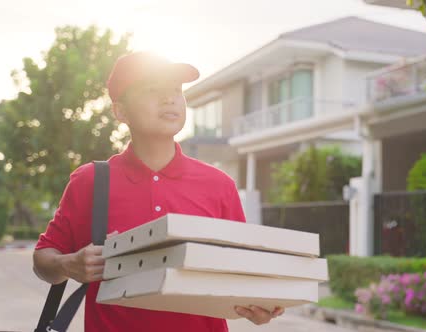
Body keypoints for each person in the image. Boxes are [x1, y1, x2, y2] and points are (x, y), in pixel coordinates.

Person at [32, 51, 284, 331]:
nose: (170, 98)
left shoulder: (219, 185)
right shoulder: (89, 181)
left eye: (176, 90)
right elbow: (43, 258)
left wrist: (257, 305)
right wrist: (68, 265)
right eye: (153, 90)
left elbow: (240, 273)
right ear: (120, 111)